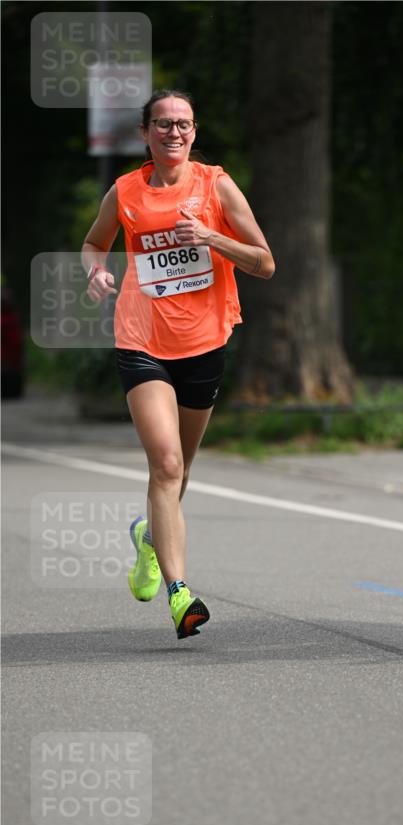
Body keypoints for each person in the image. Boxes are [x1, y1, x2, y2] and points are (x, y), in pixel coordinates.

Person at [82, 89, 275, 638]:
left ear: (195, 132)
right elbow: (95, 244)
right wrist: (94, 271)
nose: (174, 132)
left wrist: (212, 236)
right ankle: (180, 593)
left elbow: (264, 262)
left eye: (183, 124)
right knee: (165, 465)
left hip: (205, 342)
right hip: (141, 338)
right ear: (145, 133)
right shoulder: (125, 191)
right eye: (163, 124)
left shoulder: (216, 185)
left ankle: (148, 537)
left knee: (181, 470)